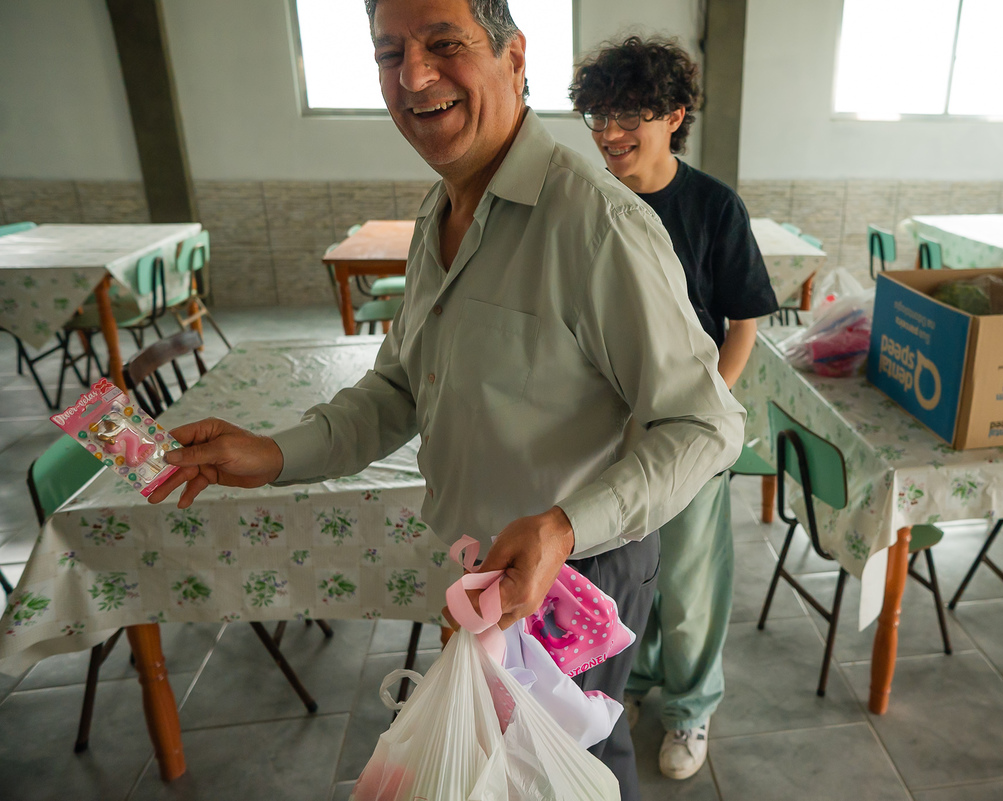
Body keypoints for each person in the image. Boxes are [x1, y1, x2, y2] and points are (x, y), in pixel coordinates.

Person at [147, 1, 744, 797]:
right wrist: (274, 453)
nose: (414, 76)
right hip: (479, 564)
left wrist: (565, 526)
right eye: (388, 52)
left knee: (577, 767)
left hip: (573, 574)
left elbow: (706, 424)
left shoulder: (594, 223)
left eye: (443, 44)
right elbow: (401, 386)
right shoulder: (443, 210)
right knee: (504, 767)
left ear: (513, 55)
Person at [570, 37, 778, 780]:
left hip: (686, 429)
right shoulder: (586, 203)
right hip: (602, 432)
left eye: (630, 113)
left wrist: (708, 410)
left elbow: (744, 317)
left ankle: (690, 708)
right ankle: (638, 682)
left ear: (674, 116)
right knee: (621, 575)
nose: (608, 130)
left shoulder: (712, 206)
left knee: (689, 584)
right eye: (597, 112)